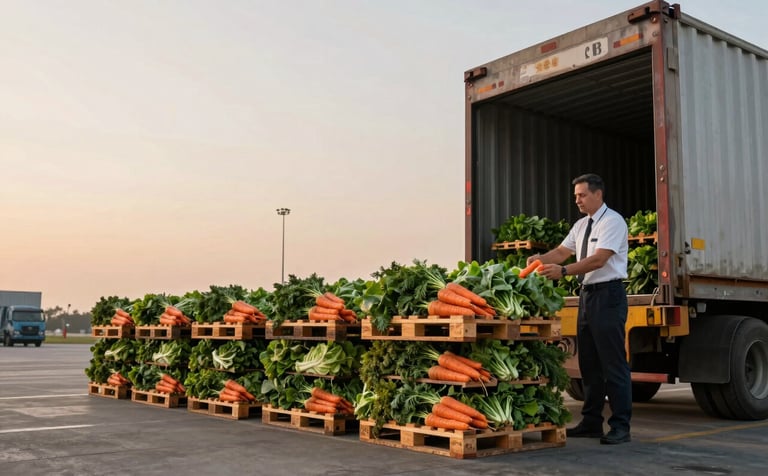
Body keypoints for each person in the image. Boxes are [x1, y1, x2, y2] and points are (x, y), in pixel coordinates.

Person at [527, 173, 631, 445]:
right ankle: (592, 422)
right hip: (587, 296)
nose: (578, 200)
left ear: (598, 194)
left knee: (613, 364)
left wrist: (563, 271)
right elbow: (561, 252)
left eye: (582, 195)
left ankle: (621, 426)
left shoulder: (613, 222)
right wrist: (539, 259)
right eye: (576, 196)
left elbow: (598, 260)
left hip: (608, 295)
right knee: (589, 364)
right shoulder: (581, 225)